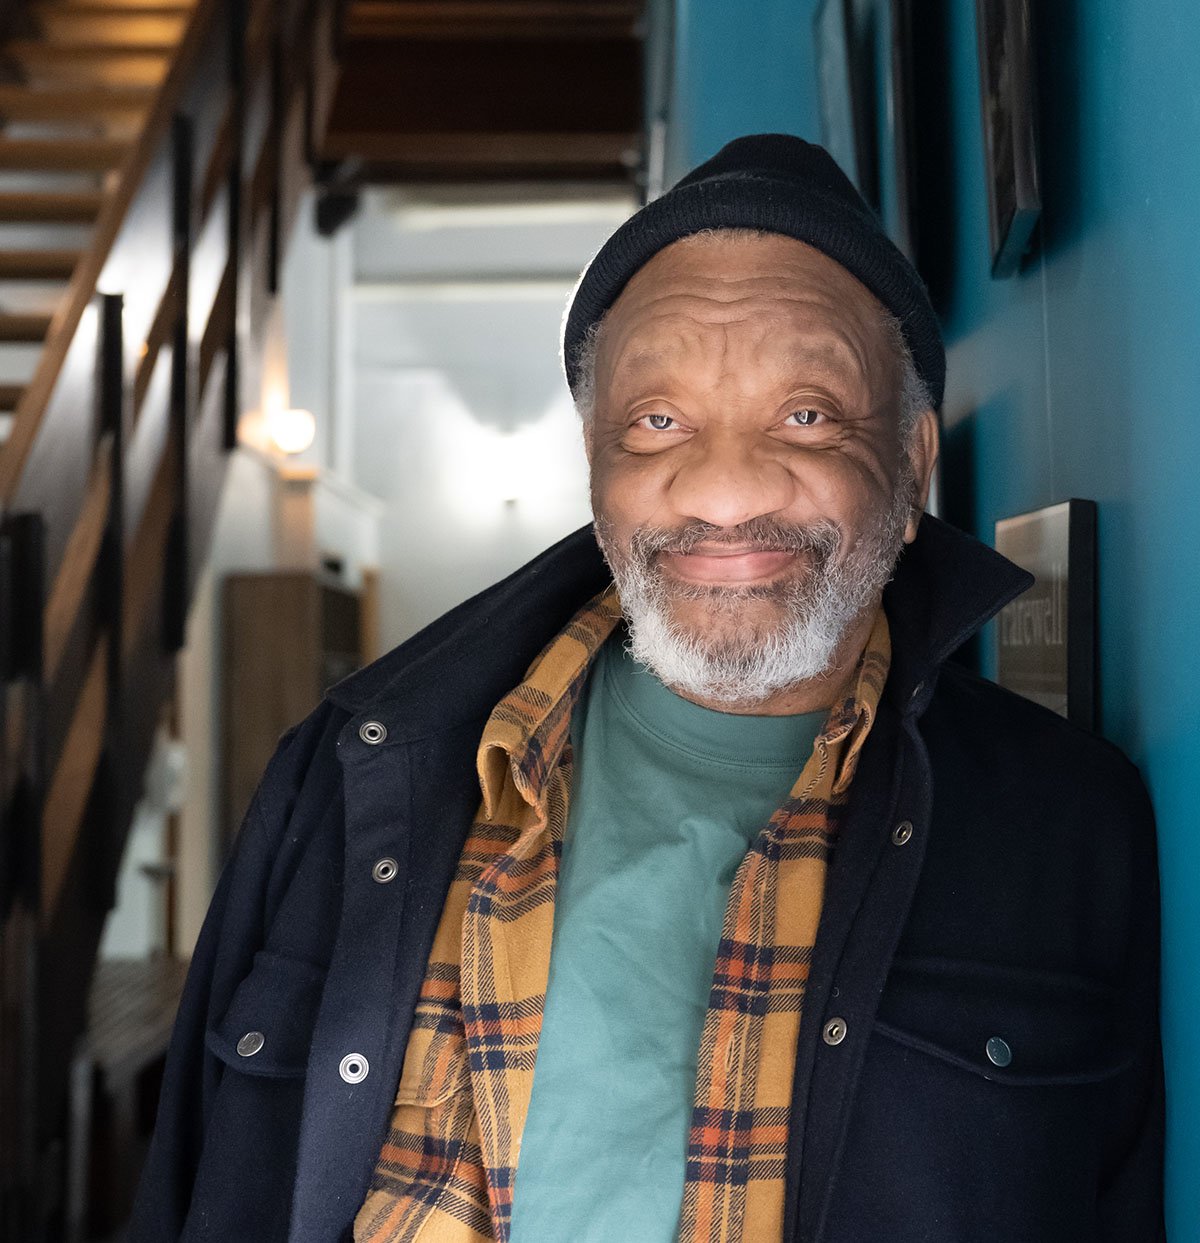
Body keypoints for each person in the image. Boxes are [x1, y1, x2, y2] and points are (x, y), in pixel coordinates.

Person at [130, 135, 1164, 1243]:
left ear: (914, 464)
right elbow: (196, 1179)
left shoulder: (1069, 832)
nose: (720, 490)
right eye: (657, 421)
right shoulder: (350, 773)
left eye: (807, 413)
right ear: (593, 459)